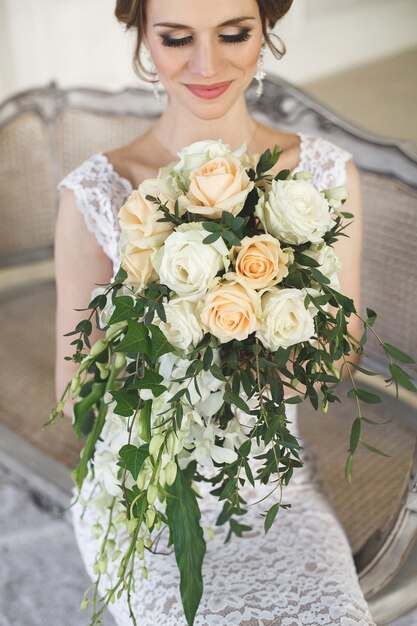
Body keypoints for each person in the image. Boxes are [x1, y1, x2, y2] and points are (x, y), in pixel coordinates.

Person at [55, 1, 374, 624]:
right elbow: (76, 395)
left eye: (234, 34)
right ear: (143, 38)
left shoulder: (321, 179)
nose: (207, 64)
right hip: (144, 488)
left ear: (266, 33)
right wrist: (173, 331)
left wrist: (256, 318)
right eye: (177, 39)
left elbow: (341, 355)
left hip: (270, 483)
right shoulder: (97, 190)